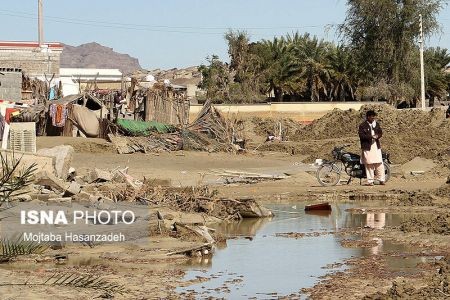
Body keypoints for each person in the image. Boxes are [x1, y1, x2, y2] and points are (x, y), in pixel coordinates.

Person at [358, 110, 385, 186]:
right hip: (367, 147)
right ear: (368, 117)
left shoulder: (376, 124)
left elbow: (380, 133)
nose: (373, 118)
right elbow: (361, 136)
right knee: (369, 164)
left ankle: (381, 179)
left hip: (376, 146)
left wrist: (377, 136)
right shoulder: (362, 125)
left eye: (374, 116)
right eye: (371, 116)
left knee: (379, 163)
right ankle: (370, 181)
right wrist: (371, 137)